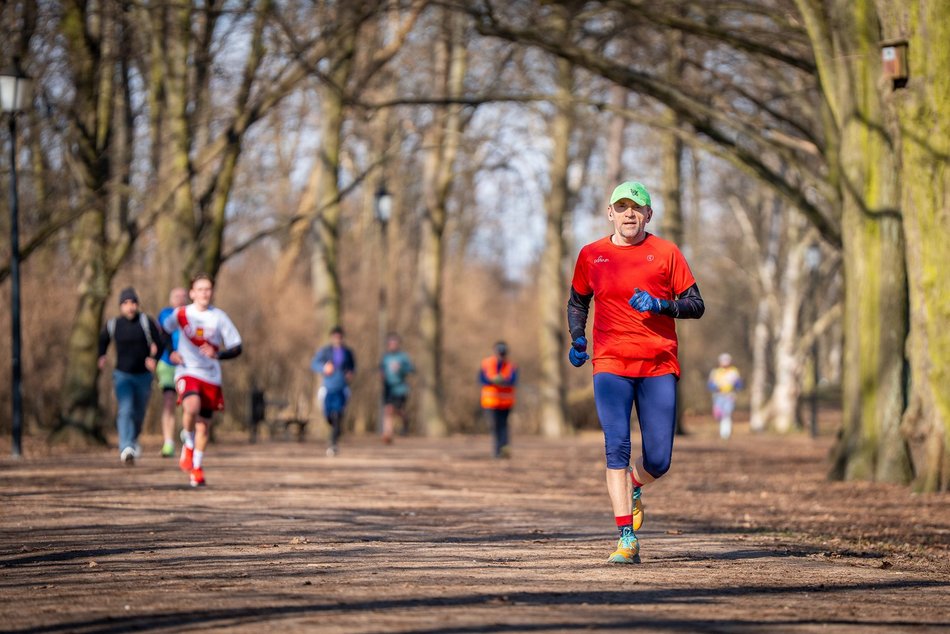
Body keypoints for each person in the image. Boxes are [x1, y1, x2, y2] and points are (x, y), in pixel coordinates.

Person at [567, 180, 704, 564]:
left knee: (659, 460)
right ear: (610, 213)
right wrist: (578, 337)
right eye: (622, 207)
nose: (629, 213)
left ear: (648, 215)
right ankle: (626, 537)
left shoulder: (666, 253)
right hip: (610, 364)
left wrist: (661, 305)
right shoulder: (592, 255)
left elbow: (696, 305)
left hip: (658, 365)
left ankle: (635, 483)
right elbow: (577, 302)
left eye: (637, 207)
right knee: (616, 447)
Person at [162, 273, 242, 487]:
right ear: (192, 293)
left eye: (208, 289)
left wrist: (218, 354)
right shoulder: (181, 314)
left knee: (204, 427)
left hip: (211, 376)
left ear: (212, 292)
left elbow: (237, 347)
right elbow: (163, 331)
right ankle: (188, 443)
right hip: (187, 371)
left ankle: (196, 467)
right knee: (191, 406)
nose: (204, 293)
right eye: (200, 289)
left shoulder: (219, 317)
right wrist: (171, 352)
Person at [98, 287, 165, 465]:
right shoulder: (114, 324)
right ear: (121, 306)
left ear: (137, 304)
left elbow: (160, 343)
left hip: (143, 376)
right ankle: (126, 447)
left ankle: (133, 440)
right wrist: (101, 356)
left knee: (139, 413)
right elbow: (103, 341)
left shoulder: (146, 322)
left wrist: (154, 359)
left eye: (133, 302)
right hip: (122, 375)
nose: (130, 306)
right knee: (125, 409)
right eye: (126, 303)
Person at [311, 326, 356, 457]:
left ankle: (333, 444)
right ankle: (335, 433)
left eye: (340, 337)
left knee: (337, 416)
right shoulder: (325, 351)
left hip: (341, 388)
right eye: (335, 337)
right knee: (329, 416)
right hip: (328, 388)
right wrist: (324, 367)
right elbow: (314, 364)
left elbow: (353, 367)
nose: (338, 339)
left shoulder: (348, 352)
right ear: (332, 338)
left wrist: (350, 373)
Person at [156, 287, 188, 457]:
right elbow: (163, 334)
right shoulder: (166, 314)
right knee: (169, 401)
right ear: (171, 299)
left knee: (188, 401)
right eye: (176, 296)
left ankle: (187, 432)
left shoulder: (192, 314)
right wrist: (171, 353)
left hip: (188, 365)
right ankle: (168, 442)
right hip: (168, 363)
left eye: (183, 296)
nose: (180, 299)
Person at [479, 341, 518, 459]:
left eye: (503, 353)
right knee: (494, 426)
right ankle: (496, 451)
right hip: (490, 402)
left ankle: (504, 450)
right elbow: (481, 379)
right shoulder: (486, 363)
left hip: (505, 403)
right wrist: (493, 381)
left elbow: (513, 381)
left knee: (504, 426)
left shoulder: (511, 366)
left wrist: (503, 381)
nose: (501, 355)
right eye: (500, 353)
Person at [379, 332, 414, 443]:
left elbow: (411, 369)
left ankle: (405, 421)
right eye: (390, 344)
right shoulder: (385, 357)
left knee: (398, 410)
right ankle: (388, 434)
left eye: (394, 343)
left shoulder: (403, 357)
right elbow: (381, 368)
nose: (392, 345)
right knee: (388, 410)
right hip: (388, 387)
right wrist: (382, 375)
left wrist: (401, 368)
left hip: (400, 388)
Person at [708, 353, 743, 440]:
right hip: (718, 395)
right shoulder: (715, 372)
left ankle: (725, 433)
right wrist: (716, 387)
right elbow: (710, 384)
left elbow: (739, 384)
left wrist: (735, 386)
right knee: (718, 414)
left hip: (729, 395)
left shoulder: (733, 371)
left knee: (727, 414)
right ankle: (723, 431)